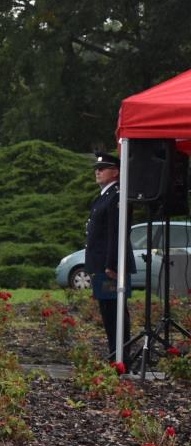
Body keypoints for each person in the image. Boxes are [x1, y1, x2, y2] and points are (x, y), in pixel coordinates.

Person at [86, 151, 133, 359]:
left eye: (102, 168)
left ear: (115, 172)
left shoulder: (117, 196)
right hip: (100, 264)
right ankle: (115, 354)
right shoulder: (105, 196)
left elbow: (117, 233)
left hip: (110, 265)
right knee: (107, 311)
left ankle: (120, 356)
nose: (97, 172)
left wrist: (112, 264)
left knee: (115, 313)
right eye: (97, 168)